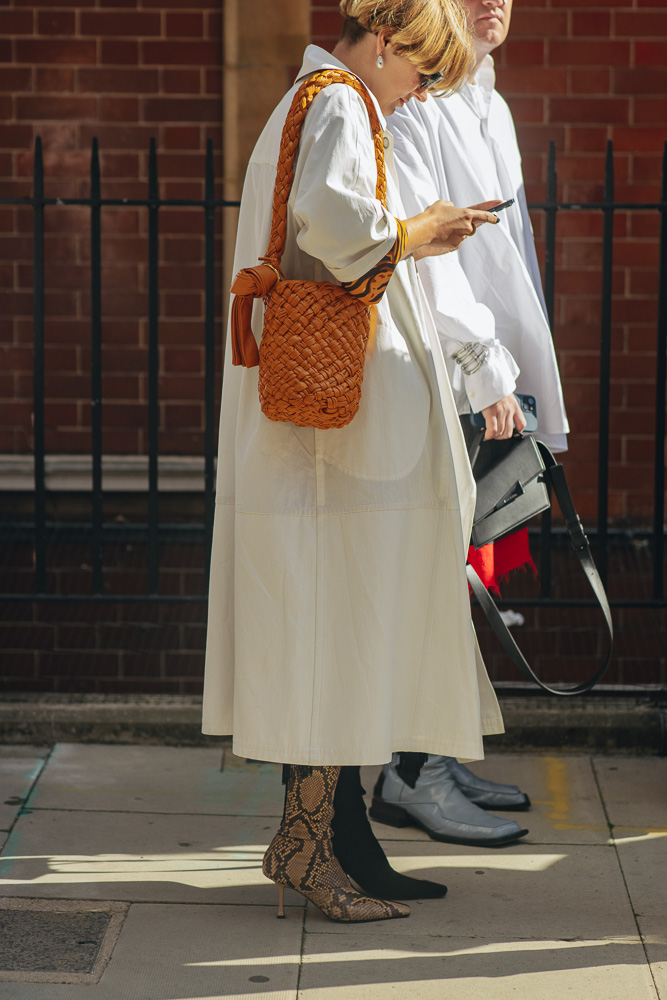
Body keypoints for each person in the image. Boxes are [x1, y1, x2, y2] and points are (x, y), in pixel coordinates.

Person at [203, 0, 521, 922]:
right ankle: (307, 849)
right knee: (324, 635)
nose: (421, 92)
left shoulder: (318, 96)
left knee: (325, 632)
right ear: (384, 44)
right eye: (422, 73)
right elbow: (340, 230)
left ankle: (330, 841)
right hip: (326, 444)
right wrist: (427, 228)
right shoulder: (341, 99)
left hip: (318, 439)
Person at [370, 0, 569, 847]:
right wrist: (484, 368)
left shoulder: (489, 100)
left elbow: (507, 255)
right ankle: (406, 773)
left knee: (467, 576)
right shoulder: (414, 105)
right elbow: (430, 265)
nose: (493, 3)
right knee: (435, 575)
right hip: (449, 378)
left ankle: (431, 759)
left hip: (495, 380)